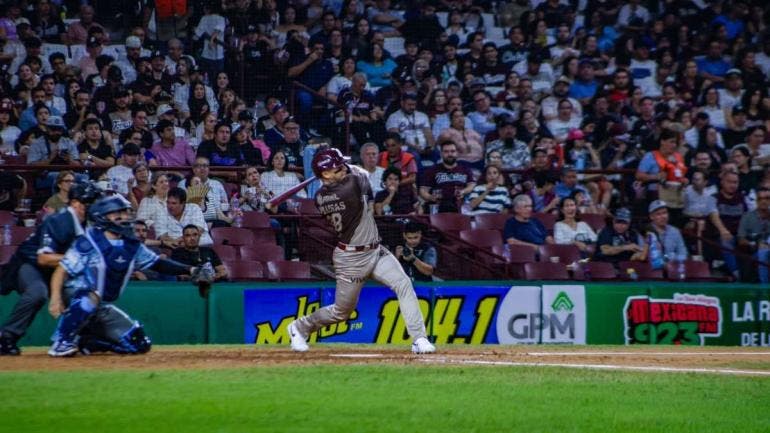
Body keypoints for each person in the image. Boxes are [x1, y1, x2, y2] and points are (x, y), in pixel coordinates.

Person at [287, 148, 435, 354]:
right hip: (351, 258)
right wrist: (347, 168)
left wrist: (338, 166)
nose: (344, 170)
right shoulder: (343, 190)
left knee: (403, 284)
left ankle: (419, 339)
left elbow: (354, 174)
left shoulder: (331, 189)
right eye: (338, 168)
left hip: (375, 250)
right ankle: (300, 327)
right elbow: (361, 174)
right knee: (342, 312)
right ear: (326, 174)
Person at [46, 195, 214, 356]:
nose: (124, 217)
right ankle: (62, 341)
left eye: (125, 212)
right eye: (118, 213)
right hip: (75, 296)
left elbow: (158, 263)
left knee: (140, 344)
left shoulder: (131, 244)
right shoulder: (88, 240)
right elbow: (62, 270)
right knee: (89, 297)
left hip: (101, 305)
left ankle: (88, 342)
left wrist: (191, 270)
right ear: (103, 217)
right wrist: (55, 298)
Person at [0, 182, 102, 355]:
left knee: (83, 295)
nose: (94, 206)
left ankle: (83, 337)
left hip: (59, 269)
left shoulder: (87, 224)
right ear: (76, 203)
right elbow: (44, 258)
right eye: (90, 202)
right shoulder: (60, 220)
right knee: (37, 292)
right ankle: (6, 337)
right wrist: (79, 259)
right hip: (30, 263)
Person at [418, 141, 476, 213]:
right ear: (441, 154)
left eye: (452, 151)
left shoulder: (465, 169)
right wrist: (431, 197)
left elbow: (472, 185)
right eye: (446, 152)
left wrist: (463, 191)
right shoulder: (432, 170)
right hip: (439, 205)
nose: (450, 154)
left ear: (457, 153)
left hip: (459, 204)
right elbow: (423, 190)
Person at [737, 187, 770, 283]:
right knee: (762, 253)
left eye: (767, 198)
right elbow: (741, 240)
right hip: (754, 251)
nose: (764, 201)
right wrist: (756, 245)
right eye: (760, 199)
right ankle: (765, 288)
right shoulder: (747, 217)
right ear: (756, 201)